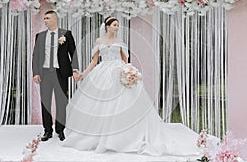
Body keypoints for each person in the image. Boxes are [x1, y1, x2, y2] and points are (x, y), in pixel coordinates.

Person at [61, 16, 211, 157]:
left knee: (126, 103)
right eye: (114, 25)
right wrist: (83, 74)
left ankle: (125, 136)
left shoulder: (120, 42)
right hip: (103, 71)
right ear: (107, 27)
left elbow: (125, 60)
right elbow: (94, 61)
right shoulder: (99, 42)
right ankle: (101, 136)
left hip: (119, 71)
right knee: (101, 105)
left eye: (118, 26)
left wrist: (130, 72)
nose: (117, 28)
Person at [32, 10, 79, 142]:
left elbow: (73, 53)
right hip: (45, 73)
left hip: (61, 73)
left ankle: (61, 129)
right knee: (45, 102)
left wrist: (75, 69)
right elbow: (36, 56)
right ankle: (47, 130)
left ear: (55, 19)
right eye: (44, 18)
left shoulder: (66, 34)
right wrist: (36, 72)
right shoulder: (40, 36)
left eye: (47, 18)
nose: (45, 20)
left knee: (61, 102)